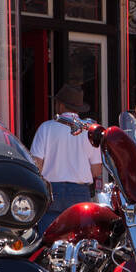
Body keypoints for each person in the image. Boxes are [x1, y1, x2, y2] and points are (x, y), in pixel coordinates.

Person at [30, 85, 102, 232]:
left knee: (48, 238)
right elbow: (96, 170)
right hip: (80, 192)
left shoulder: (46, 128)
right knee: (77, 240)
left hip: (52, 191)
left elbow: (36, 166)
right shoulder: (90, 130)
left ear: (61, 105)